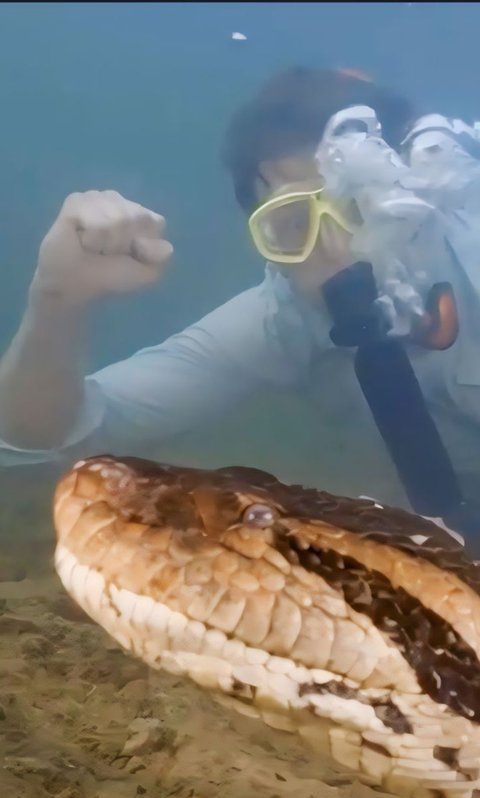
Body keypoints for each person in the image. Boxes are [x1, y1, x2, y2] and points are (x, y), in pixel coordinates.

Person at [1, 67, 480, 518]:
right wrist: (56, 302)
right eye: (293, 225)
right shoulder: (284, 319)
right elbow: (44, 444)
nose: (341, 253)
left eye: (361, 210)